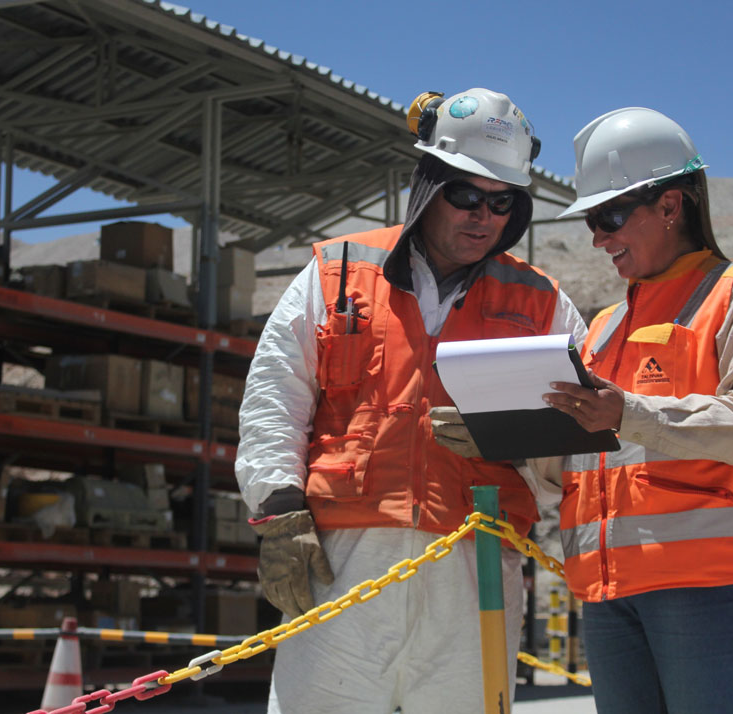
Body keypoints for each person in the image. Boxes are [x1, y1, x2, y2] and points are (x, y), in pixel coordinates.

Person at [235, 87, 587, 714]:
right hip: (342, 560)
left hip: (478, 559)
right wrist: (279, 512)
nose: (483, 215)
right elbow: (274, 395)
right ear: (429, 185)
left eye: (502, 202)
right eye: (466, 195)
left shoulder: (544, 305)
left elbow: (582, 442)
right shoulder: (335, 272)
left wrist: (514, 439)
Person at [542, 107, 733, 714]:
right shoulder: (603, 329)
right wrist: (499, 431)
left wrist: (627, 412)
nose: (599, 238)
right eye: (592, 220)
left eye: (609, 216)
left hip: (709, 588)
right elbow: (577, 466)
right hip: (608, 592)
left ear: (671, 206)